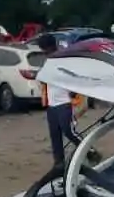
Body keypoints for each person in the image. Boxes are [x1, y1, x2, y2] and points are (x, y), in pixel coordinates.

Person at [34, 33, 81, 169]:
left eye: (45, 50)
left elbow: (73, 77)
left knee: (69, 131)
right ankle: (59, 163)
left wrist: (74, 92)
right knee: (55, 135)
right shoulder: (47, 62)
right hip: (52, 104)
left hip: (65, 102)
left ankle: (89, 151)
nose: (45, 53)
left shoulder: (63, 59)